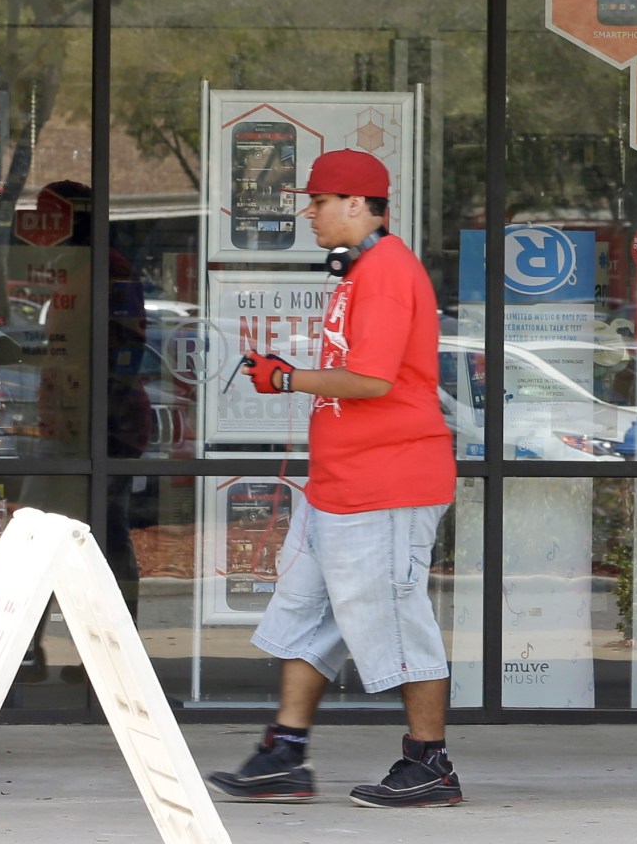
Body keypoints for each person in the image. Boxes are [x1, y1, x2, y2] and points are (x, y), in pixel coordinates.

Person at [207, 149, 463, 808]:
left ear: (357, 203)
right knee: (305, 616)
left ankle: (430, 763)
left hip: (388, 482)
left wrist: (283, 377)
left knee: (397, 621)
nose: (309, 212)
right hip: (342, 484)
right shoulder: (361, 272)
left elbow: (373, 381)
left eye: (318, 200)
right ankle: (284, 753)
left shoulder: (385, 272)